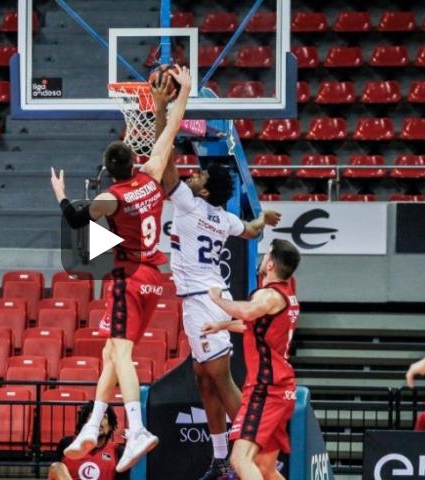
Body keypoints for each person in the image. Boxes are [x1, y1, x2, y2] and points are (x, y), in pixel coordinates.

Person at [50, 65, 192, 472]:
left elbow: (75, 219)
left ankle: (137, 428)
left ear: (108, 171)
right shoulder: (151, 175)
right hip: (154, 278)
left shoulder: (111, 198)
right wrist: (183, 92)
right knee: (111, 351)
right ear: (134, 159)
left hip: (127, 279)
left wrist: (61, 194)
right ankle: (93, 423)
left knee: (121, 353)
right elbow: (173, 128)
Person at [150, 72, 282, 480]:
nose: (193, 175)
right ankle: (221, 458)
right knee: (203, 379)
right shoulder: (224, 219)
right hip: (204, 297)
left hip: (201, 300)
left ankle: (258, 455)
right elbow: (251, 230)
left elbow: (164, 160)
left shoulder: (189, 204)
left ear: (205, 191)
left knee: (221, 381)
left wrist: (161, 109)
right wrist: (263, 218)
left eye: (200, 176)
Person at [202, 239, 301, 480]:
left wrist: (217, 300)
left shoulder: (269, 295)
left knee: (240, 459)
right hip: (282, 388)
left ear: (271, 265)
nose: (263, 259)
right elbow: (252, 324)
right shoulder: (287, 295)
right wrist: (222, 325)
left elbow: (248, 311)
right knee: (265, 468)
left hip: (266, 388)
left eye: (266, 255)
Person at [48, 401, 128, 480]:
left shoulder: (117, 451)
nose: (98, 421)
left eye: (104, 417)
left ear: (110, 426)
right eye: (93, 417)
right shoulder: (67, 443)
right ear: (85, 424)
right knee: (56, 467)